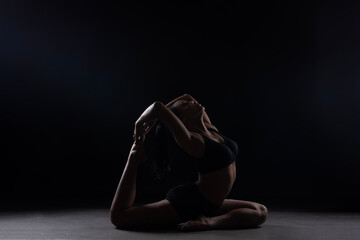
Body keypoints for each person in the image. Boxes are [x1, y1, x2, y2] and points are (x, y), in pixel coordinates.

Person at [110, 94, 268, 231]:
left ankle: (210, 221)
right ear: (182, 120)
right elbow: (158, 107)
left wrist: (161, 116)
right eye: (186, 106)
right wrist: (140, 124)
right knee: (120, 217)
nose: (192, 102)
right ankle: (133, 157)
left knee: (260, 211)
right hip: (191, 202)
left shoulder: (209, 127)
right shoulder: (193, 141)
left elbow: (186, 96)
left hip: (212, 204)